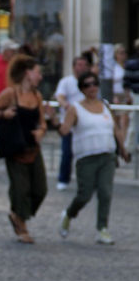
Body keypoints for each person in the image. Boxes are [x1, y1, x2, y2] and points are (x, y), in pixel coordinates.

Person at [58, 71, 130, 245]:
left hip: (107, 155)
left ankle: (102, 229)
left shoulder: (105, 105)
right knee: (84, 195)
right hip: (86, 157)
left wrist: (122, 149)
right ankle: (68, 214)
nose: (92, 87)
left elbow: (116, 130)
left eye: (94, 83)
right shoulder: (76, 108)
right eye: (87, 85)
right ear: (82, 89)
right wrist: (53, 120)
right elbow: (65, 131)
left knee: (105, 192)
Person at [0, 54, 47, 244]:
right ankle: (21, 225)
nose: (40, 77)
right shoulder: (10, 94)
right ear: (28, 73)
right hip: (15, 147)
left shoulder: (37, 96)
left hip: (33, 148)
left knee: (40, 189)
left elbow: (43, 123)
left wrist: (41, 132)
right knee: (20, 189)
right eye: (38, 72)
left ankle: (17, 214)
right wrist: (4, 114)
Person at [54, 55, 88, 190]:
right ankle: (63, 179)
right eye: (79, 65)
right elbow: (59, 96)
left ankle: (86, 180)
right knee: (67, 153)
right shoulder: (66, 81)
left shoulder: (89, 81)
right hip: (68, 123)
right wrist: (66, 105)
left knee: (85, 154)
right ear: (74, 67)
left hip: (84, 124)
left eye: (84, 65)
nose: (82, 68)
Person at [112, 43, 130, 148]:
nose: (123, 55)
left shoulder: (127, 66)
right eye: (121, 53)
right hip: (116, 95)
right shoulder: (113, 67)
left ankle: (122, 143)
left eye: (124, 53)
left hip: (124, 94)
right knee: (117, 121)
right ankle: (118, 143)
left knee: (124, 119)